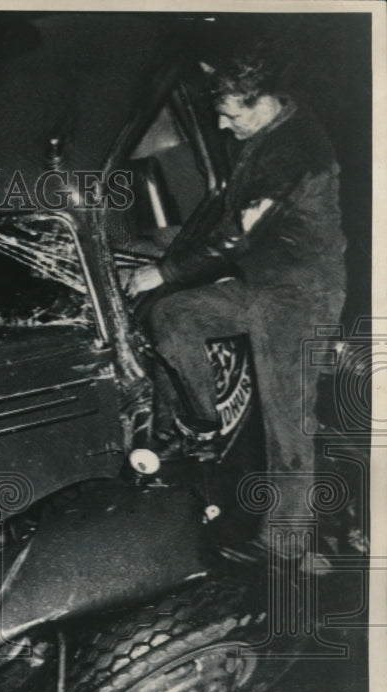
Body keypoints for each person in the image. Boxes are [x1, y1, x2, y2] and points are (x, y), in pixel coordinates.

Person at [126, 52, 347, 564]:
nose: (223, 125)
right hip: (262, 281)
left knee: (287, 420)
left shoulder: (296, 150)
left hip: (301, 296)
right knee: (176, 316)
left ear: (263, 101)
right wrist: (171, 253)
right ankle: (201, 424)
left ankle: (287, 546)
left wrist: (166, 269)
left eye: (232, 114)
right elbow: (227, 211)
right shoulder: (267, 128)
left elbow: (237, 234)